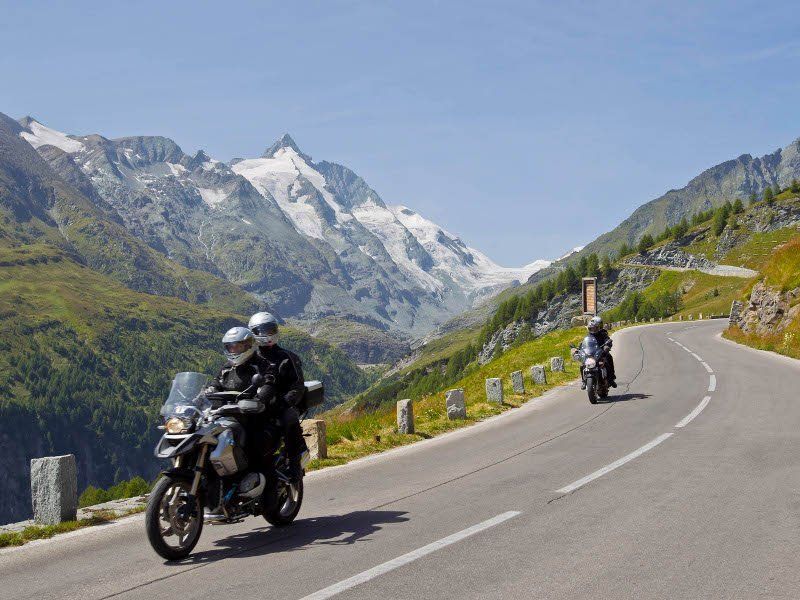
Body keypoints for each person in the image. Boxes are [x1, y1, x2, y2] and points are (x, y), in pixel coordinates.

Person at [248, 311, 308, 482]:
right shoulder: (250, 358)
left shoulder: (287, 357)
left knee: (289, 418)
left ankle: (294, 465)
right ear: (254, 332)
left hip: (281, 403)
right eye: (262, 331)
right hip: (256, 404)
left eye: (270, 330)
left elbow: (298, 384)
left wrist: (285, 402)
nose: (267, 334)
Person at [206, 326, 272, 467]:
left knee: (257, 450)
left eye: (238, 346)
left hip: (253, 416)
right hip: (226, 415)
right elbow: (216, 382)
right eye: (230, 347)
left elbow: (268, 384)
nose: (234, 350)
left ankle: (267, 483)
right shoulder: (227, 367)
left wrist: (259, 398)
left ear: (248, 345)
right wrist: (207, 392)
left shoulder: (261, 365)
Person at [586, 316, 616, 388]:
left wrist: (607, 346)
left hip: (602, 352)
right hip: (592, 353)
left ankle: (611, 378)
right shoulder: (589, 335)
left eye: (594, 328)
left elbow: (607, 340)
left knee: (609, 358)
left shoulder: (603, 333)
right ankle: (584, 382)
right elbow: (585, 342)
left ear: (599, 327)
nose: (592, 330)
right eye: (591, 328)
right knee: (582, 365)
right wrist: (579, 349)